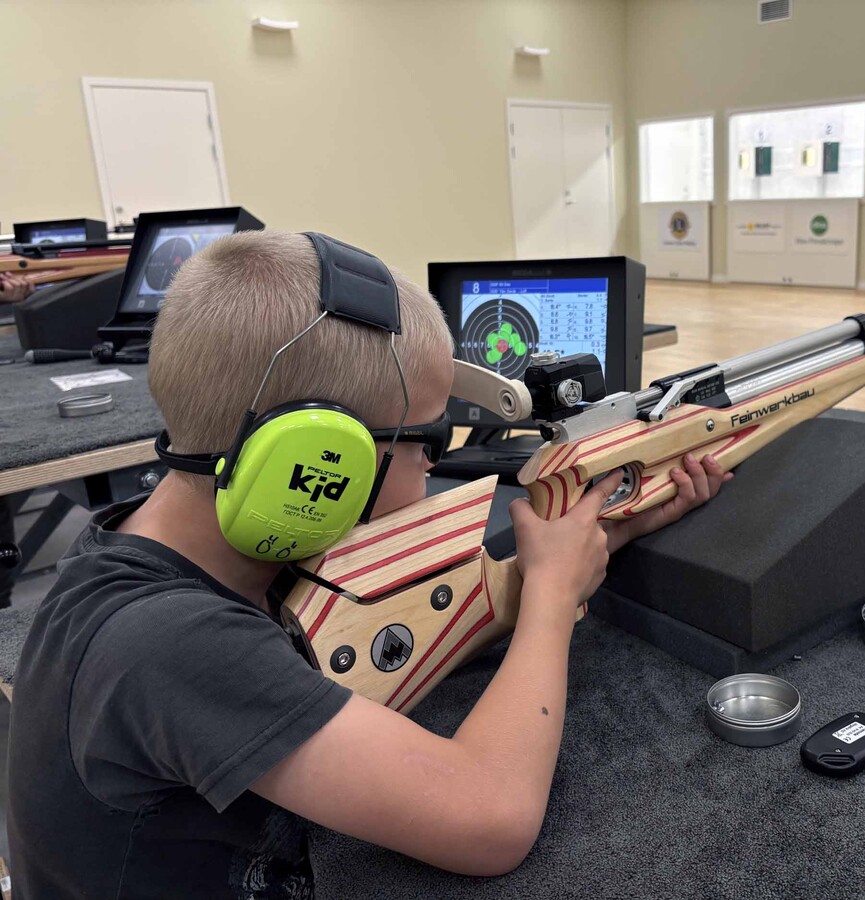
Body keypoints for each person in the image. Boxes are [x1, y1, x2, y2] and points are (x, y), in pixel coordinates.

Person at [7, 230, 731, 898]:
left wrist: (604, 530)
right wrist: (550, 597)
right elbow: (491, 817)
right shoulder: (167, 645)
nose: (434, 468)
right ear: (320, 461)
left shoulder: (167, 550)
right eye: (429, 443)